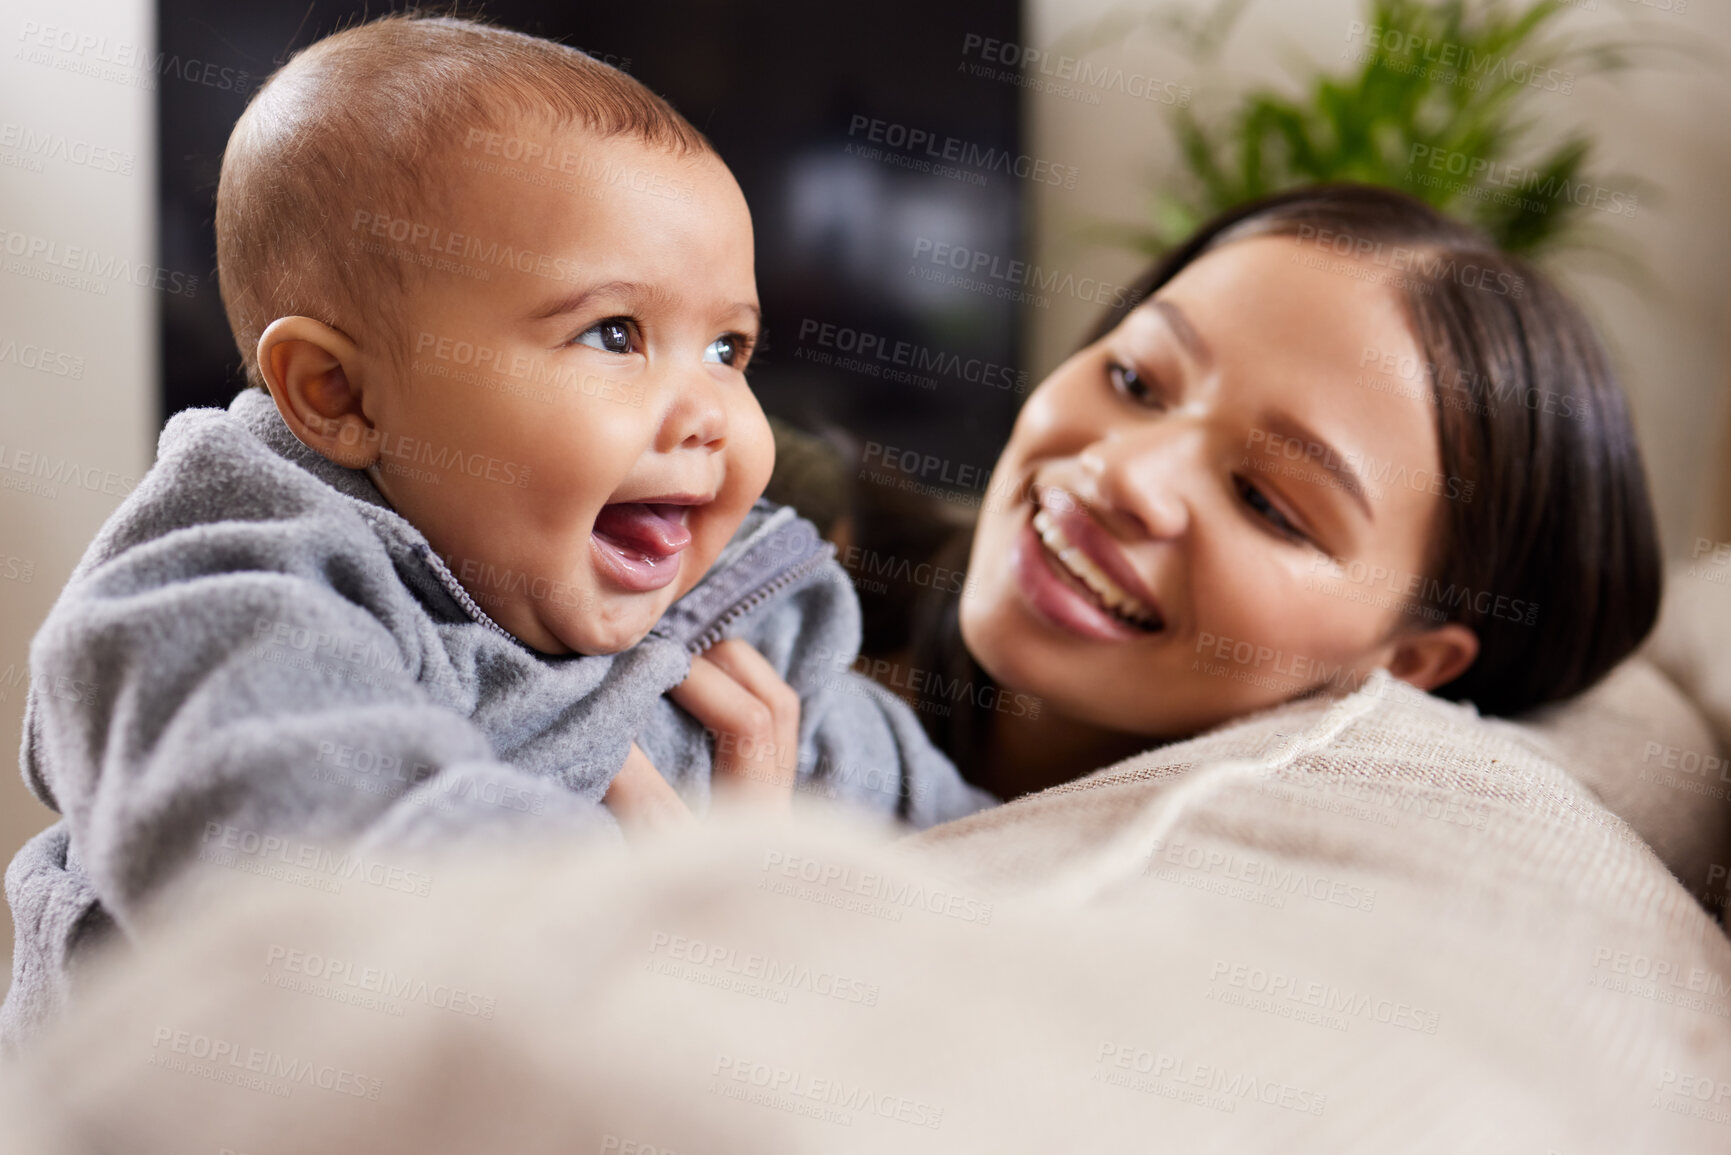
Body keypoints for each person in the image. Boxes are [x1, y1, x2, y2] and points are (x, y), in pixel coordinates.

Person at [0, 13, 991, 1052]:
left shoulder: (755, 645)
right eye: (615, 333)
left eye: (729, 346)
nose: (714, 413)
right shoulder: (239, 594)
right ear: (339, 392)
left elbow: (984, 868)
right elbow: (313, 857)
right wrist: (690, 928)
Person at [892, 184, 1661, 801]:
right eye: (1134, 378)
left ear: (1406, 660)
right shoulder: (792, 551)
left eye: (1264, 501)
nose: (1124, 472)